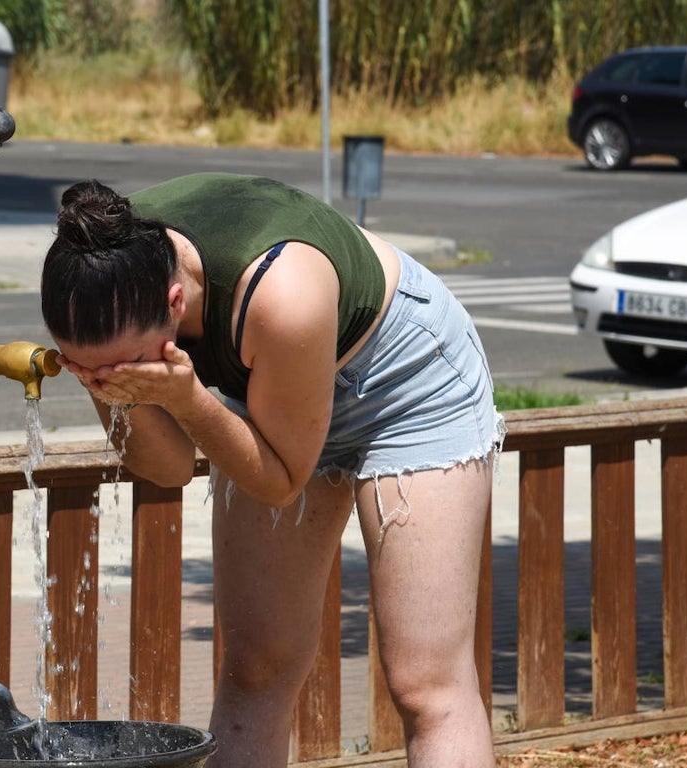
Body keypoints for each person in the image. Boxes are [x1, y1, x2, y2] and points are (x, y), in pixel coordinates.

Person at [40, 172, 503, 768]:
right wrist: (109, 387)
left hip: (406, 379)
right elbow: (169, 468)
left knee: (425, 681)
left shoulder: (282, 295)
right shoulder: (98, 272)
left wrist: (188, 400)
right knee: (257, 665)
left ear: (175, 303)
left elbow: (281, 482)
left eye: (124, 366)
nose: (112, 380)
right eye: (89, 369)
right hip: (273, 380)